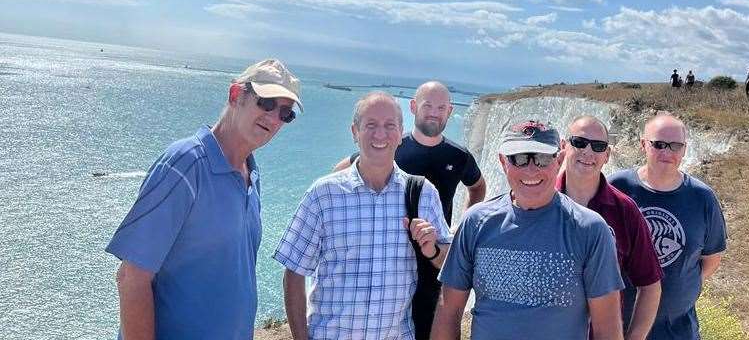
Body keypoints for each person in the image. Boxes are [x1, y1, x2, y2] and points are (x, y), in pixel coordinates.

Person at [106, 59, 303, 339]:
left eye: (285, 113)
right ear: (236, 95)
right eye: (266, 103)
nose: (273, 118)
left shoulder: (251, 174)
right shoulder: (186, 164)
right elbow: (131, 277)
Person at [275, 91, 452, 340]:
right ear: (354, 132)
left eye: (390, 125)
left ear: (401, 132)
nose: (380, 134)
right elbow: (294, 272)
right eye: (370, 125)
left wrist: (432, 248)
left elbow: (449, 263)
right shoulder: (323, 194)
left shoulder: (422, 193)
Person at [432, 120, 625, 340]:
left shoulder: (590, 230)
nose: (531, 169)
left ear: (559, 160)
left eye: (542, 159)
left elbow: (607, 329)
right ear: (503, 162)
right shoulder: (475, 222)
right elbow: (448, 311)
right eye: (520, 158)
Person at [333, 81, 486, 339]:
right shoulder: (392, 145)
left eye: (441, 107)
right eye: (428, 105)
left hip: (434, 259)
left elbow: (478, 188)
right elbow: (342, 171)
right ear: (414, 107)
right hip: (390, 260)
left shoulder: (458, 156)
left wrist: (460, 227)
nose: (434, 112)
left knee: (429, 327)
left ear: (450, 111)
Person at [608, 114, 727, 340]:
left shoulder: (703, 197)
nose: (667, 152)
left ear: (684, 149)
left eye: (675, 146)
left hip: (678, 330)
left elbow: (711, 259)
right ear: (643, 144)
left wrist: (683, 286)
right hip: (618, 328)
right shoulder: (617, 187)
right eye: (659, 144)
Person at [558, 116, 662, 340]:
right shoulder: (541, 203)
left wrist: (635, 337)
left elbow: (651, 284)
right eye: (579, 142)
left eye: (598, 146)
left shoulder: (625, 211)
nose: (588, 152)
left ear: (607, 156)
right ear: (563, 146)